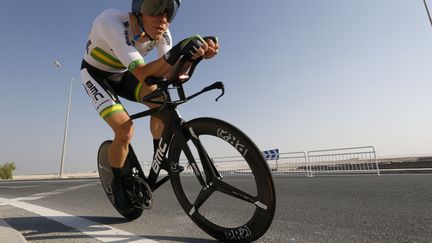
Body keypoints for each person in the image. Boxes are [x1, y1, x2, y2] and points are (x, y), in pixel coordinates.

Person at [80, 0, 219, 212]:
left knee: (162, 100)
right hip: (97, 75)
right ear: (138, 10)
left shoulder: (163, 33)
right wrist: (178, 53)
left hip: (125, 74)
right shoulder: (111, 22)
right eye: (155, 8)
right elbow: (145, 74)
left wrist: (192, 57)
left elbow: (170, 74)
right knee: (125, 130)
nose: (163, 18)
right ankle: (117, 183)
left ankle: (159, 156)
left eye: (169, 12)